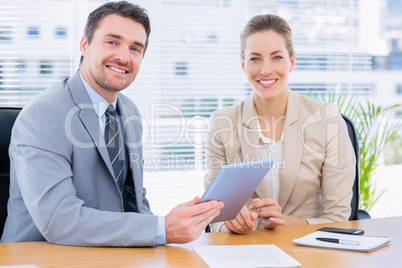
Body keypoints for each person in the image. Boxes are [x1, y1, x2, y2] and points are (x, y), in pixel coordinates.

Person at [1, 1, 223, 247]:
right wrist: (161, 228)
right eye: (112, 42)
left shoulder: (129, 112)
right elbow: (59, 219)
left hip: (111, 253)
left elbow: (134, 203)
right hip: (41, 256)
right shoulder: (44, 114)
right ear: (85, 44)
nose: (123, 56)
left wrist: (174, 227)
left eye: (135, 48)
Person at [203, 14, 355, 233]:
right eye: (255, 58)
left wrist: (284, 222)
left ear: (291, 62)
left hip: (309, 250)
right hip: (245, 250)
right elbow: (215, 216)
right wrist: (229, 223)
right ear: (243, 65)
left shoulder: (327, 119)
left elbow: (337, 217)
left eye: (276, 57)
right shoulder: (222, 124)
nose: (265, 70)